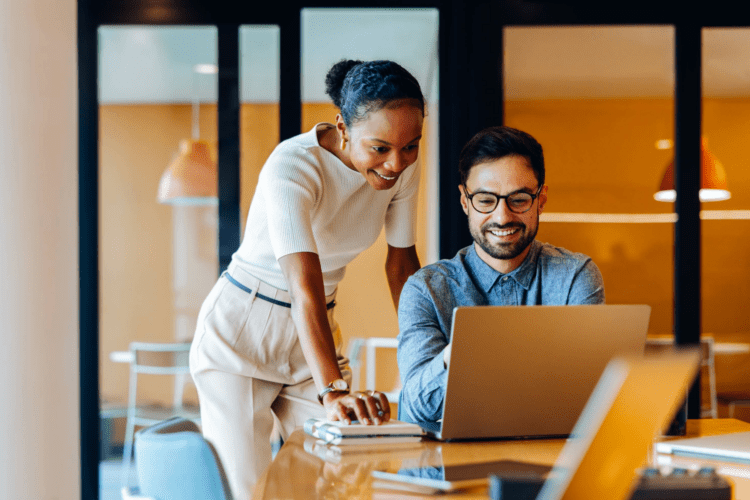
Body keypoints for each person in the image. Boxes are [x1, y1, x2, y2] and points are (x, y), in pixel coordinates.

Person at [190, 59, 425, 498]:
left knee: (342, 477)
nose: (397, 162)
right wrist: (333, 389)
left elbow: (402, 267)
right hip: (242, 332)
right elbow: (304, 287)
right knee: (250, 491)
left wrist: (425, 353)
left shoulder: (401, 168)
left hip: (313, 334)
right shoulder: (293, 165)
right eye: (380, 148)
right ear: (343, 127)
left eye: (411, 145)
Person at [396, 125, 605, 426]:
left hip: (546, 463)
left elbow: (591, 397)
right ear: (465, 201)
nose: (502, 216)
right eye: (485, 200)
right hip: (449, 467)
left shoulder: (575, 277)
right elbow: (418, 407)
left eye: (519, 199)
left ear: (541, 200)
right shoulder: (425, 289)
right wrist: (462, 352)